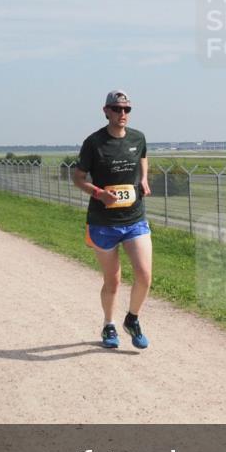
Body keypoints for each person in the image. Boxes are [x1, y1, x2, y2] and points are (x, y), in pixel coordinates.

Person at [73, 90, 152, 350]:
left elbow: (142, 157)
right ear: (106, 111)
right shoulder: (93, 142)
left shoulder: (138, 138)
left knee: (144, 275)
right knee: (113, 280)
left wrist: (143, 179)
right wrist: (98, 193)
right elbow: (78, 177)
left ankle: (132, 319)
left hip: (134, 218)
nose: (122, 114)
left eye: (127, 109)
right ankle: (109, 325)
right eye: (117, 109)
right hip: (103, 222)